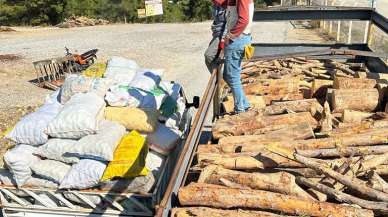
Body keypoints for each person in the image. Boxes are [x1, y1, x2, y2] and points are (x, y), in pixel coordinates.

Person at [223, 0, 254, 113]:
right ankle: (245, 105)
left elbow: (244, 20)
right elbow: (227, 4)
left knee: (232, 76)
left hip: (237, 40)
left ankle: (240, 110)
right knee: (228, 75)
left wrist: (230, 35)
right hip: (241, 39)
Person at [204, 0, 227, 73]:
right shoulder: (216, 5)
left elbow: (229, 24)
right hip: (217, 33)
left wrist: (223, 39)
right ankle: (218, 79)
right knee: (212, 58)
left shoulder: (228, 5)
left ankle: (221, 80)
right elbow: (216, 21)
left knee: (209, 55)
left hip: (222, 34)